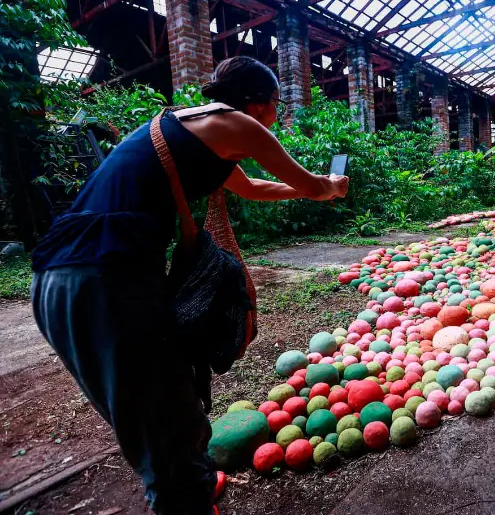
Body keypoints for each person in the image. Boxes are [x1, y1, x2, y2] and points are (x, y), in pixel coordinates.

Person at [30, 56, 349, 515]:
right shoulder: (240, 124)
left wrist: (309, 188)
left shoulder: (189, 126)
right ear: (258, 103)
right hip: (105, 280)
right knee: (170, 433)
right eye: (276, 104)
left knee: (156, 420)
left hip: (59, 277)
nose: (276, 114)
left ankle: (187, 492)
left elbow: (254, 188)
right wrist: (331, 185)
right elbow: (311, 185)